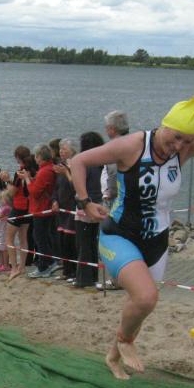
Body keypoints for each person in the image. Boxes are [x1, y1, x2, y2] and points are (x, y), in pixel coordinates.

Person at [70, 81, 194, 380]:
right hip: (120, 234)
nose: (179, 146)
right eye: (176, 138)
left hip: (157, 241)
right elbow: (78, 161)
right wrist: (85, 201)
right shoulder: (132, 145)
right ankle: (124, 341)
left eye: (186, 141)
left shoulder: (183, 151)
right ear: (165, 125)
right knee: (146, 297)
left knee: (141, 305)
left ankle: (113, 356)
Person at [74, 131, 105, 288]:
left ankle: (83, 278)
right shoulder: (100, 163)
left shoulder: (85, 165)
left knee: (83, 243)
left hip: (86, 205)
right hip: (98, 203)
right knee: (92, 242)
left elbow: (79, 187)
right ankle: (92, 276)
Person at [22, 144, 57, 278]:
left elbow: (35, 192)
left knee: (40, 238)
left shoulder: (44, 171)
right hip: (44, 208)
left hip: (41, 209)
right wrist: (31, 179)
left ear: (40, 157)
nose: (35, 159)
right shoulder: (49, 168)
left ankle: (44, 266)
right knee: (43, 237)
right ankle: (50, 261)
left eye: (36, 156)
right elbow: (40, 186)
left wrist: (27, 179)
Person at [2, 146, 36, 280]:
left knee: (9, 238)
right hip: (28, 208)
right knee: (23, 238)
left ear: (18, 158)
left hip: (18, 207)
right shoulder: (33, 170)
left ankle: (14, 268)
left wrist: (6, 182)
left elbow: (13, 192)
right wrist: (10, 182)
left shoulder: (20, 172)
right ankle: (22, 266)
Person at [52, 139, 77, 280]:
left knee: (70, 241)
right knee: (61, 241)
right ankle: (66, 271)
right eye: (60, 149)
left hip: (72, 208)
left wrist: (67, 171)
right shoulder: (60, 167)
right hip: (61, 209)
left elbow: (76, 187)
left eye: (65, 149)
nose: (61, 152)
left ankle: (73, 271)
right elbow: (56, 188)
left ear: (72, 151)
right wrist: (54, 200)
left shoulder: (75, 165)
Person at [100, 111, 129, 207]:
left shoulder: (115, 148)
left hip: (118, 198)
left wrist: (110, 192)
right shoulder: (133, 143)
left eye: (106, 127)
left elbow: (114, 172)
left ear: (112, 129)